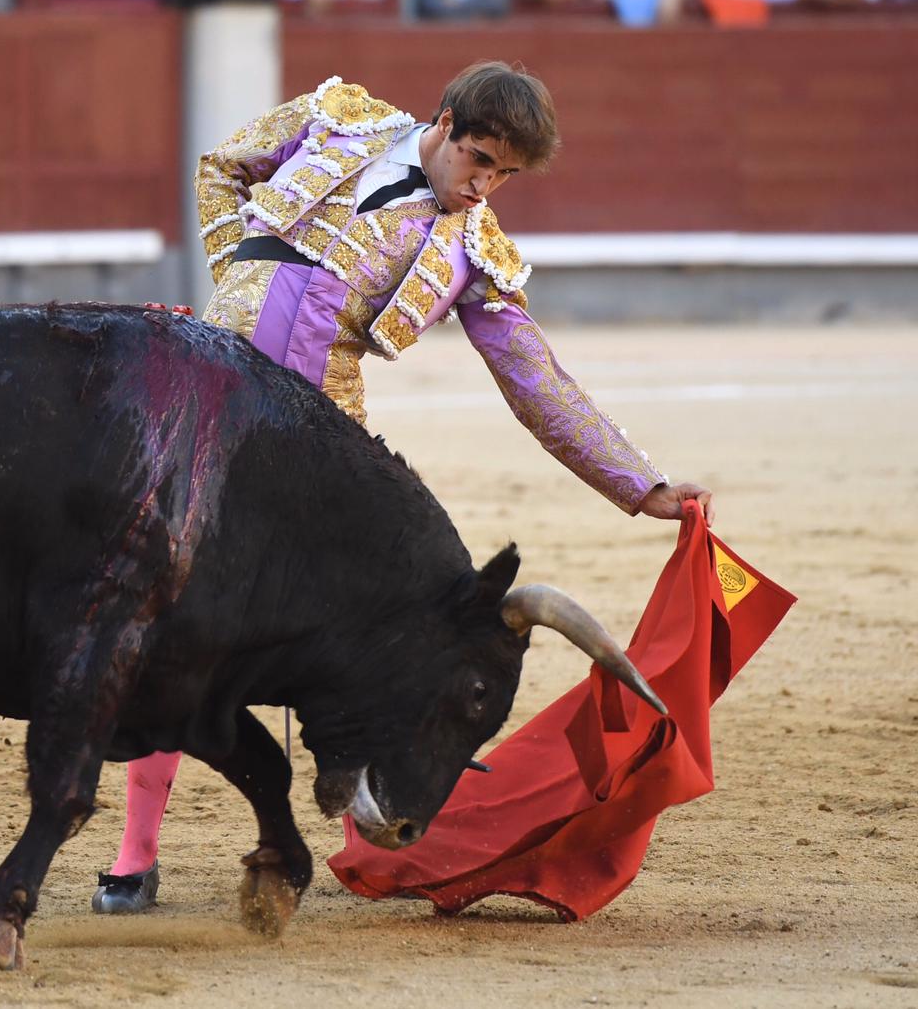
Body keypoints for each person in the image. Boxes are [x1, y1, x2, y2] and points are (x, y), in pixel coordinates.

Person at [91, 61, 714, 914]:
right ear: (447, 122)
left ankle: (365, 815)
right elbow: (222, 167)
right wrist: (236, 273)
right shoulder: (336, 122)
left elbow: (534, 379)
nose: (485, 187)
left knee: (340, 634)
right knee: (166, 608)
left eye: (505, 175)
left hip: (318, 441)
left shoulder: (472, 252)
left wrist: (635, 483)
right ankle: (135, 855)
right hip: (204, 397)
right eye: (480, 160)